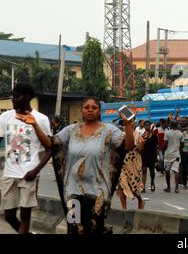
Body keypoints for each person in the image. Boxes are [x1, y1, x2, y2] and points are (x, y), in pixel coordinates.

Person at [51, 97, 135, 234]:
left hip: (99, 192)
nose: (90, 110)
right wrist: (35, 126)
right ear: (82, 111)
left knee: (95, 229)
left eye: (94, 108)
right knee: (74, 229)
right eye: (86, 107)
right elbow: (52, 144)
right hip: (73, 191)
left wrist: (128, 125)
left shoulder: (109, 131)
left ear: (99, 111)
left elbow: (128, 146)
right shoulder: (70, 130)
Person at [0, 82, 52, 235]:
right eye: (12, 96)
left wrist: (36, 170)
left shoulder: (40, 119)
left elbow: (50, 149)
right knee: (9, 215)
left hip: (29, 174)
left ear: (27, 97)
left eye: (16, 96)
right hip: (9, 174)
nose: (12, 99)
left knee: (25, 215)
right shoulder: (4, 117)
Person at [163, 121, 183, 193]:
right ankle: (176, 188)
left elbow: (165, 144)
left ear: (170, 125)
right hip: (176, 154)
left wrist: (162, 149)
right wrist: (178, 149)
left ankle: (168, 187)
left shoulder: (167, 133)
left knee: (167, 171)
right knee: (176, 171)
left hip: (168, 155)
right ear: (177, 125)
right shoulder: (180, 133)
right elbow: (182, 144)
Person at [139, 121, 159, 192]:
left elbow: (157, 147)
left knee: (152, 171)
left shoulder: (155, 136)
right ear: (144, 126)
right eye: (146, 125)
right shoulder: (142, 135)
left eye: (148, 125)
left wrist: (157, 157)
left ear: (150, 126)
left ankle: (152, 182)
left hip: (152, 156)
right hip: (144, 156)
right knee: (144, 171)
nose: (147, 126)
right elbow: (140, 146)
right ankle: (143, 187)